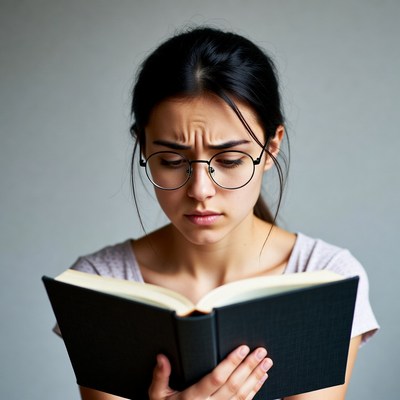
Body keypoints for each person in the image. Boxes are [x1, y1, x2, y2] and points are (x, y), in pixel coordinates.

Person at [61, 27, 379, 400]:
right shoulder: (99, 284)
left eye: (229, 160)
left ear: (271, 146)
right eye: (172, 160)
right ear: (143, 148)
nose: (200, 191)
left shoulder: (327, 278)